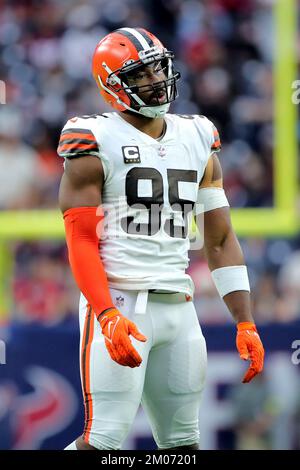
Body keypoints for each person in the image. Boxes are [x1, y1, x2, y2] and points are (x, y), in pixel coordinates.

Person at [58, 27, 265, 451]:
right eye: (140, 75)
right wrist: (105, 313)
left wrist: (245, 319)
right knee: (103, 441)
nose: (155, 81)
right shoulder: (94, 137)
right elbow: (81, 241)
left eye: (158, 69)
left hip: (180, 306)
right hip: (120, 302)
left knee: (183, 443)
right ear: (113, 86)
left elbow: (220, 238)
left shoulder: (198, 135)